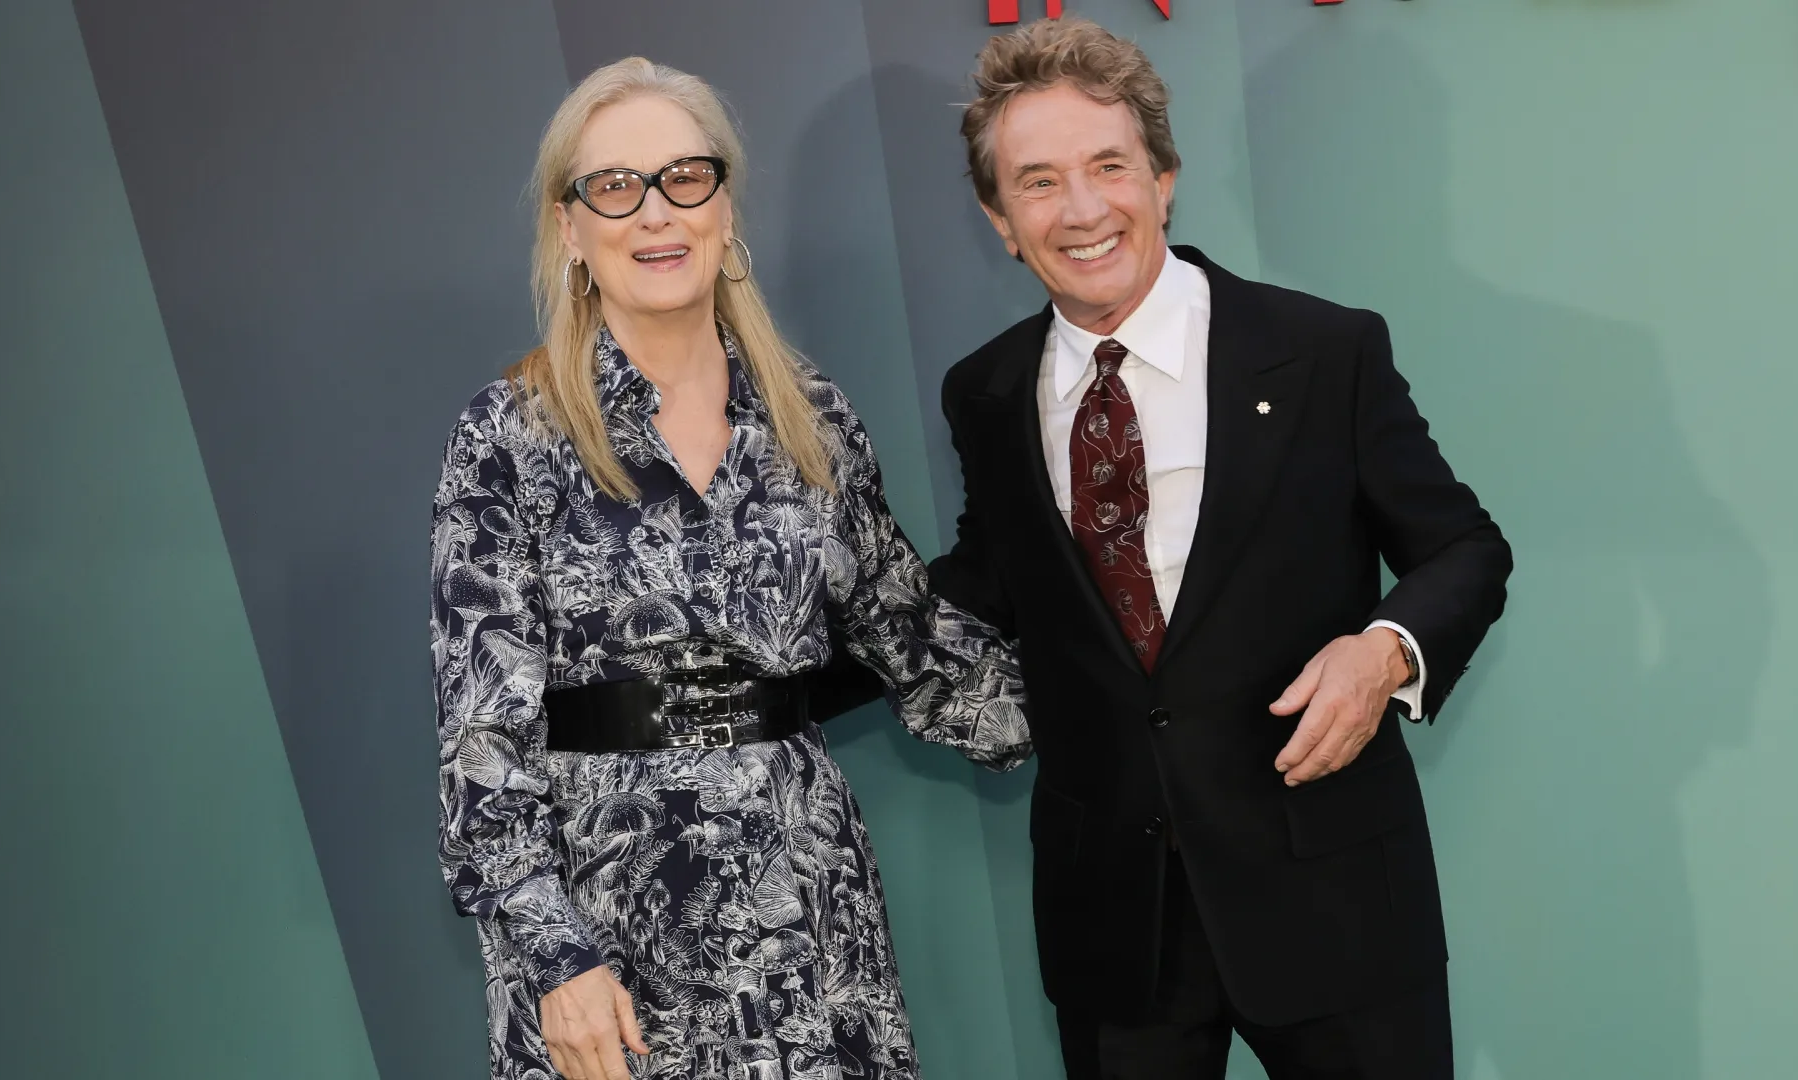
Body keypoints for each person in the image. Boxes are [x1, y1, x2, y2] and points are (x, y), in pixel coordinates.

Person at [927, 18, 1513, 1080]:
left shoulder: (1325, 350)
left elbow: (1464, 549)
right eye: (1040, 181)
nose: (1084, 209)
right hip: (1112, 924)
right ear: (1000, 220)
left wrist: (1383, 651)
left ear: (1165, 179)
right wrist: (767, 661)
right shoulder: (986, 392)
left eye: (1109, 167)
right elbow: (988, 584)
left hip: (1332, 906)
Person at [430, 57, 1028, 1080]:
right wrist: (556, 963)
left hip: (810, 915)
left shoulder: (813, 419)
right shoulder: (510, 439)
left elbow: (916, 643)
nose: (656, 212)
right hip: (612, 940)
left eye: (685, 177)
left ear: (724, 206)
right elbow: (482, 751)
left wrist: (1147, 695)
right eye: (615, 186)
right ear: (570, 228)